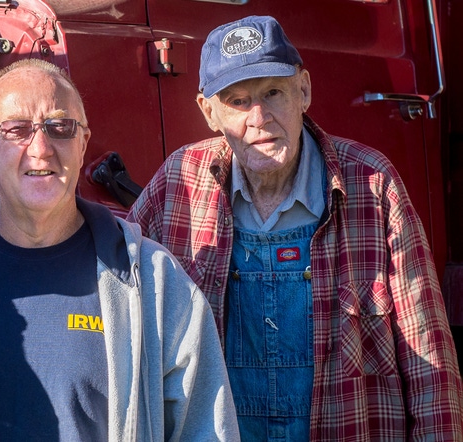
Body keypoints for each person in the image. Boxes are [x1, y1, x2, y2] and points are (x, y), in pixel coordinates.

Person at [127, 15, 463, 440]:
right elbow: (116, 303)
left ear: (303, 90)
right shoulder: (177, 184)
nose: (259, 117)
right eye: (236, 101)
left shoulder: (373, 184)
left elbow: (429, 358)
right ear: (208, 112)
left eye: (273, 92)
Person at [0, 58, 239, 441]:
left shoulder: (156, 283)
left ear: (83, 146)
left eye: (60, 127)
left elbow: (207, 430)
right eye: (16, 130)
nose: (41, 149)